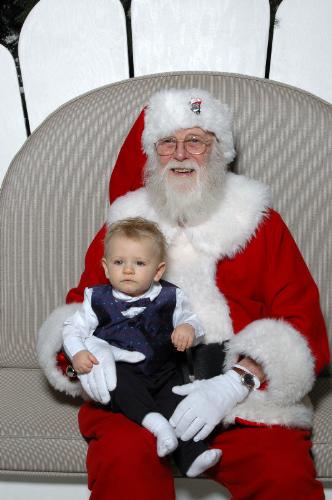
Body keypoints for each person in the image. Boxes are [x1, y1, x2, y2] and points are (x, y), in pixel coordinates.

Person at [37, 88, 330, 499]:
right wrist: (83, 359)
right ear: (151, 155)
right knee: (124, 466)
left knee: (283, 475)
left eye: (195, 140)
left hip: (236, 401)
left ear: (218, 151)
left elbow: (302, 322)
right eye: (167, 143)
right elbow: (82, 306)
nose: (180, 154)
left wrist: (235, 382)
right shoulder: (126, 225)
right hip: (138, 393)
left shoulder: (261, 223)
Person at [62, 216, 222, 477]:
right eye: (118, 262)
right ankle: (155, 424)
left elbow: (190, 319)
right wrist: (78, 352)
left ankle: (191, 456)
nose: (127, 270)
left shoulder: (171, 296)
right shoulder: (96, 298)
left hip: (163, 370)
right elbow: (71, 329)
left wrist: (188, 329)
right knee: (120, 387)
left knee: (178, 405)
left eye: (139, 263)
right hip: (123, 370)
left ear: (158, 271)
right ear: (105, 267)